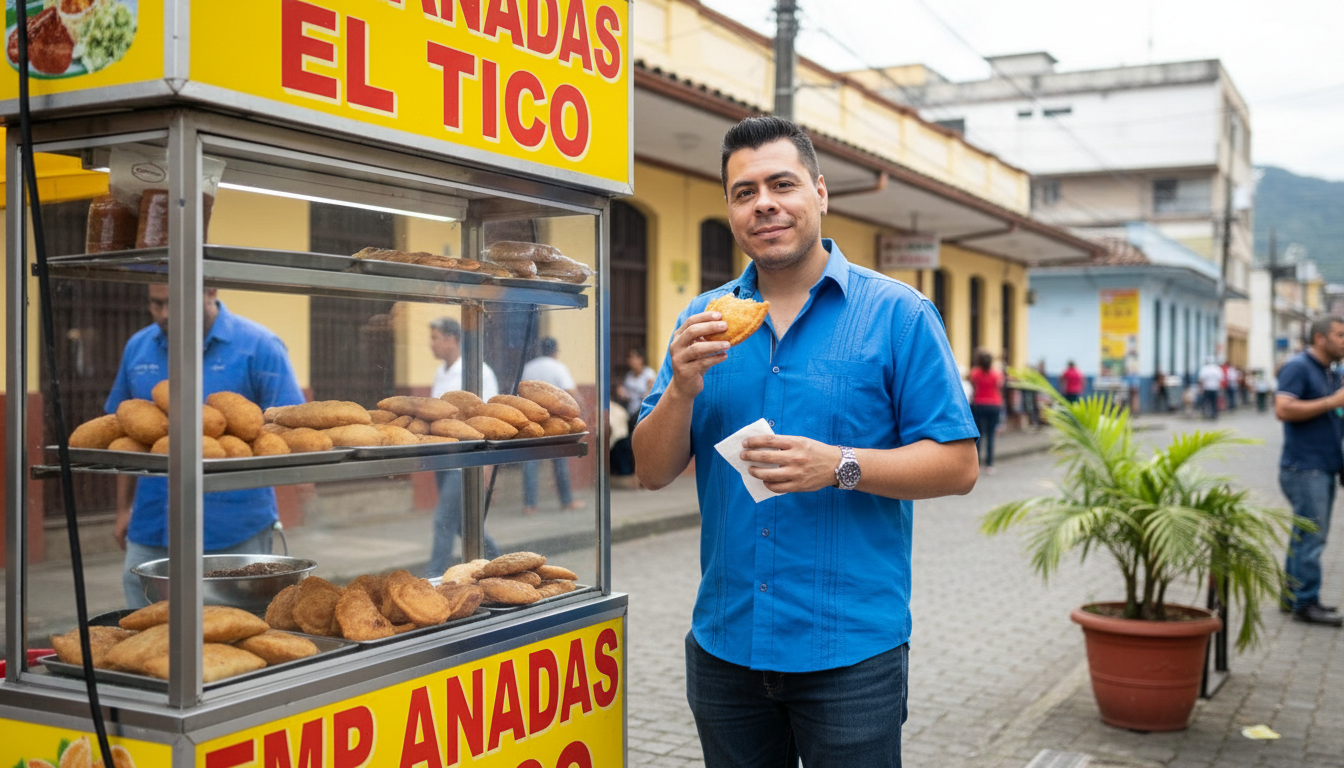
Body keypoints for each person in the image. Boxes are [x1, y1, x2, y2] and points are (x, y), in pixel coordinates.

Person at [633, 115, 979, 766]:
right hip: (725, 647)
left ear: (819, 193)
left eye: (781, 184)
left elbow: (958, 465)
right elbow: (651, 472)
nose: (763, 203)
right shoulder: (702, 322)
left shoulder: (898, 314)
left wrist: (840, 465)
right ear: (732, 211)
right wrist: (679, 388)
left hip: (850, 653)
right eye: (744, 192)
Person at [109, 285, 305, 608]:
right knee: (145, 639)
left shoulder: (259, 346)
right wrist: (122, 509)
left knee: (234, 640)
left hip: (233, 529)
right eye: (156, 304)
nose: (165, 314)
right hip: (151, 527)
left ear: (210, 289)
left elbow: (288, 426)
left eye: (176, 302)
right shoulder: (138, 348)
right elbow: (126, 437)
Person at [1275, 316, 1344, 627]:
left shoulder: (1329, 372)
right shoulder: (1299, 367)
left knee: (1303, 535)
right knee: (1312, 537)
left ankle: (1293, 596)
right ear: (1320, 338)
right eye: (1340, 335)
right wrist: (1331, 402)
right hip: (1304, 468)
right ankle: (1306, 602)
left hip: (1323, 466)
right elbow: (1283, 408)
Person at [425, 317, 502, 577]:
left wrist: (488, 467)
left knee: (443, 522)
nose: (431, 344)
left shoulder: (478, 371)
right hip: (443, 461)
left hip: (465, 463)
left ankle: (433, 579)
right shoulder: (441, 373)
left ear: (452, 339)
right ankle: (501, 565)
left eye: (435, 337)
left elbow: (490, 421)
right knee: (462, 524)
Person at [520, 337, 586, 515]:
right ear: (555, 351)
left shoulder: (529, 366)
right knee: (559, 461)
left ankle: (530, 505)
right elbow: (570, 392)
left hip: (533, 420)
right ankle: (566, 501)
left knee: (531, 462)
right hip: (555, 423)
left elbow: (522, 392)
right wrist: (582, 407)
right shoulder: (558, 367)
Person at [612, 348, 656, 477]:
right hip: (629, 413)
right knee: (619, 440)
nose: (630, 361)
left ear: (641, 359)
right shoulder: (629, 376)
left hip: (642, 413)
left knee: (632, 442)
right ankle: (625, 472)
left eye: (633, 357)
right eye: (629, 358)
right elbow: (626, 395)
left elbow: (651, 394)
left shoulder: (649, 375)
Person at [969, 349, 1003, 474]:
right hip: (994, 405)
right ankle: (989, 464)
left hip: (979, 404)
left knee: (978, 435)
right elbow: (999, 387)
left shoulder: (975, 373)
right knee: (990, 436)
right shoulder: (996, 374)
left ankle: (976, 463)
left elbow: (973, 386)